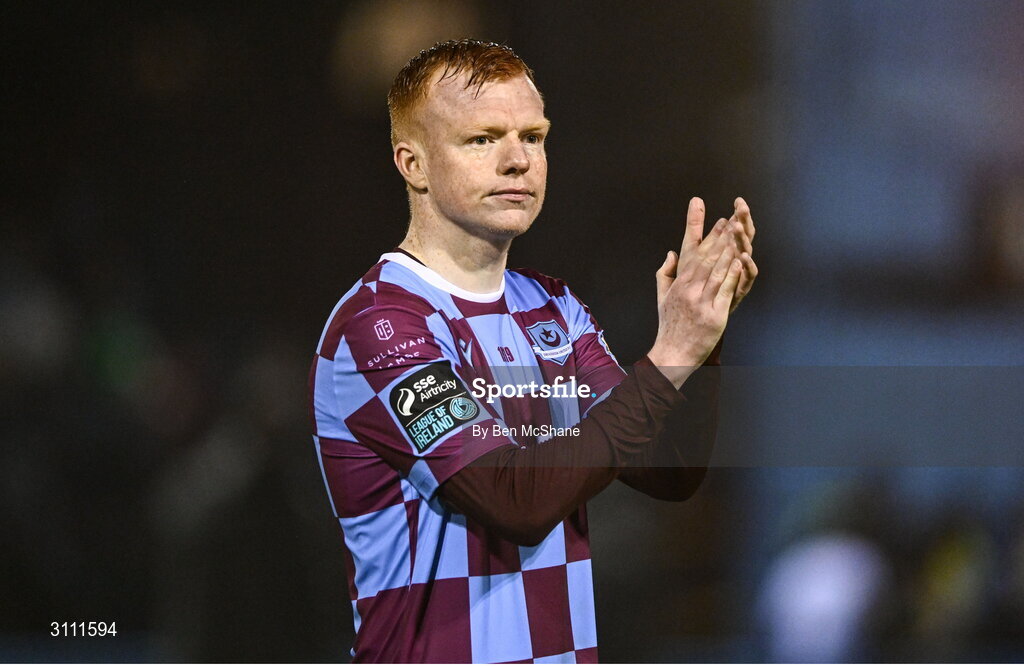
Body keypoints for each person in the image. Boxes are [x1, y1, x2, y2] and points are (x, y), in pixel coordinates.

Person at [309, 39, 757, 663]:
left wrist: (699, 341)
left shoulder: (550, 307)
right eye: (483, 139)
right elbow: (514, 500)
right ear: (414, 164)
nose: (518, 160)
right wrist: (666, 354)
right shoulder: (380, 324)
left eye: (534, 136)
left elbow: (669, 469)